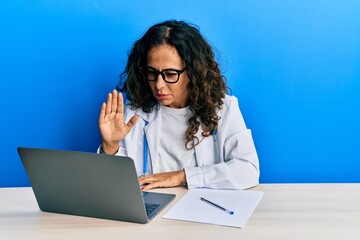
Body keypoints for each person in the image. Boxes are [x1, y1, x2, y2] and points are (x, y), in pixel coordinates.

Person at [98, 20, 259, 191]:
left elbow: (248, 170)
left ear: (194, 72)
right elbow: (112, 187)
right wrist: (110, 146)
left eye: (170, 74)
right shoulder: (133, 114)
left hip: (205, 208)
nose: (159, 85)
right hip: (153, 211)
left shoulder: (224, 108)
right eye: (152, 73)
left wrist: (181, 176)